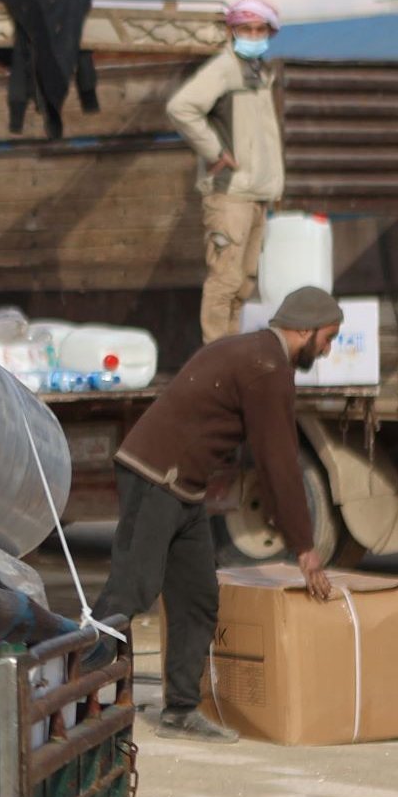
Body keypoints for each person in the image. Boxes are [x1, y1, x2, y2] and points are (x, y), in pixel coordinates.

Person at [89, 285, 344, 741]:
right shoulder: (268, 367)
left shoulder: (255, 353)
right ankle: (70, 688)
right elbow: (278, 462)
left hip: (183, 486)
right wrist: (305, 549)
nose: (328, 349)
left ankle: (180, 711)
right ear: (305, 330)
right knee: (132, 589)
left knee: (198, 597)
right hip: (155, 476)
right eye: (328, 338)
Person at [168, 0, 284, 343]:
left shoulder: (259, 72)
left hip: (256, 194)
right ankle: (215, 355)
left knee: (243, 282)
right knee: (225, 280)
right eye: (246, 29)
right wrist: (214, 151)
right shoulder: (225, 68)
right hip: (231, 192)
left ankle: (229, 352)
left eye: (260, 29)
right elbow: (181, 107)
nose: (254, 35)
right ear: (232, 31)